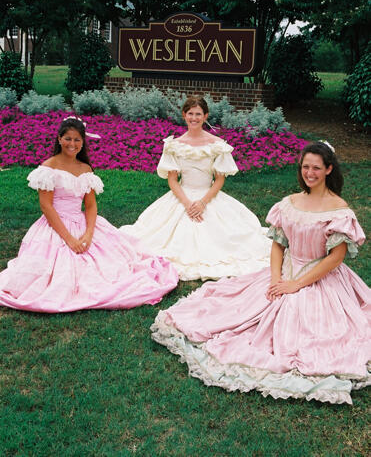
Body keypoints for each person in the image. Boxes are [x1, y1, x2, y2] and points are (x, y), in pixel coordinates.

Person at [151, 141, 370, 404]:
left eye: (316, 168)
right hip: (285, 270)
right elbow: (278, 244)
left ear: (328, 169)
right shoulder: (289, 203)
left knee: (310, 325)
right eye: (305, 167)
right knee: (247, 308)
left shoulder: (338, 210)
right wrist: (277, 278)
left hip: (320, 277)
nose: (309, 173)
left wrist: (296, 284)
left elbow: (336, 257)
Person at [0, 117, 178, 313]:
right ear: (59, 139)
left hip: (82, 221)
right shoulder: (49, 167)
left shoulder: (85, 169)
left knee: (111, 266)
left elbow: (91, 206)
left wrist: (88, 233)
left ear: (83, 142)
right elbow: (47, 207)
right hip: (55, 224)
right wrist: (69, 239)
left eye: (77, 140)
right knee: (61, 270)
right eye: (68, 138)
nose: (72, 144)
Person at [120, 96, 271, 281]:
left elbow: (219, 180)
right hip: (182, 195)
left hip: (208, 195)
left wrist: (202, 203)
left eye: (198, 114)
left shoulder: (217, 145)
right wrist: (187, 204)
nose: (194, 118)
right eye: (190, 113)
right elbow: (173, 180)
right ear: (184, 115)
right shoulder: (174, 145)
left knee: (228, 237)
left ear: (205, 115)